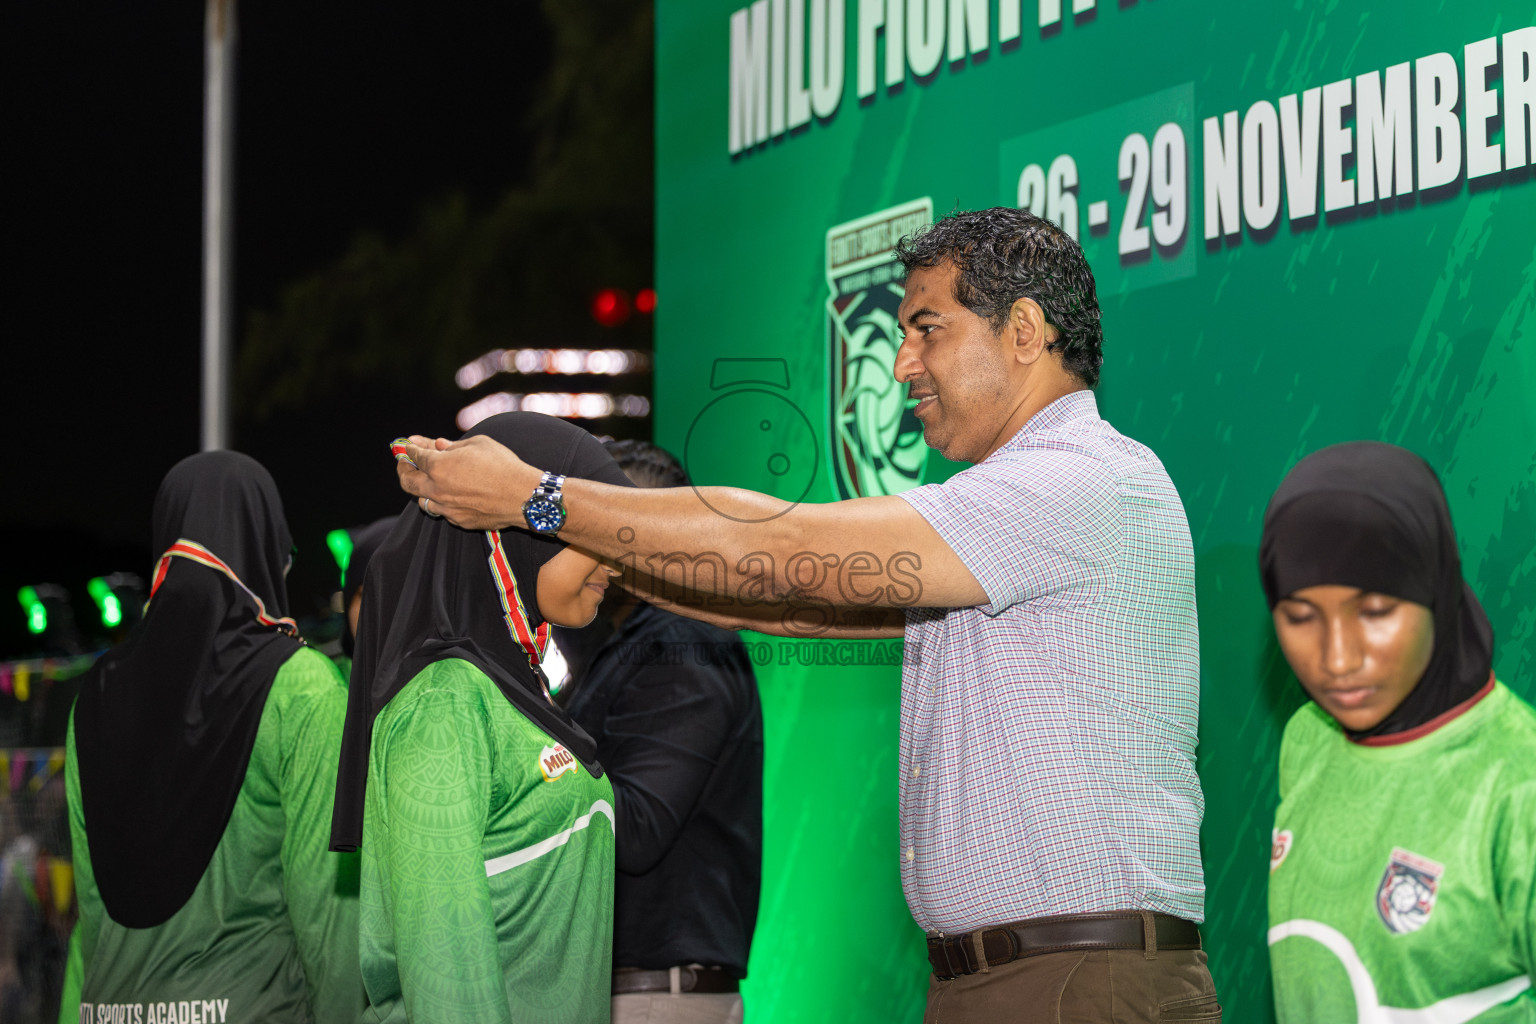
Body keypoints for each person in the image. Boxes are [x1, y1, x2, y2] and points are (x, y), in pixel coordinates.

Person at [393, 208, 1218, 1021]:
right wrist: (613, 559)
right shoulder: (1013, 510)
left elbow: (786, 554)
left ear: (1027, 330)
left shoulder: (1076, 482)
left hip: (1077, 985)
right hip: (1015, 980)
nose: (901, 365)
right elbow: (800, 609)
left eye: (926, 329)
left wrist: (538, 501)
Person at [330, 412, 635, 1024]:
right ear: (516, 534)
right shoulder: (443, 704)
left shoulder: (514, 687)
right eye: (595, 537)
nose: (616, 564)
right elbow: (447, 987)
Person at [59, 451, 361, 1023]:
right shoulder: (300, 686)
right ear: (267, 551)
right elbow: (330, 912)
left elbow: (90, 916)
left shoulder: (94, 693)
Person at [1261, 442, 1535, 1021]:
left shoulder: (1518, 781)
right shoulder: (1307, 740)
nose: (1337, 659)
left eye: (1377, 609)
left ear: (1436, 589)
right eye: (1301, 615)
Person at [557, 440, 762, 1024]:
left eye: (599, 523)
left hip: (652, 997)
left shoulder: (682, 646)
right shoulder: (634, 641)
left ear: (648, 532)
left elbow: (637, 827)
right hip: (640, 991)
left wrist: (526, 757)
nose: (576, 541)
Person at [334, 515, 397, 679]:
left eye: (393, 597)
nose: (377, 612)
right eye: (363, 596)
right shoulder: (328, 686)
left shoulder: (442, 690)